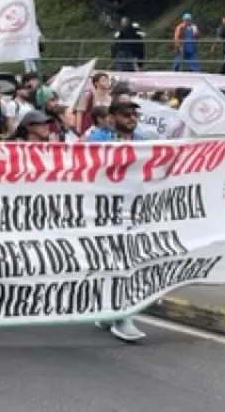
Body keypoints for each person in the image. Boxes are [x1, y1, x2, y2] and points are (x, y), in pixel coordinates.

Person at [85, 99, 149, 343]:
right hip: (104, 211)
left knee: (129, 263)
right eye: (126, 114)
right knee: (115, 263)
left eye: (134, 114)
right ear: (111, 117)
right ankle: (122, 315)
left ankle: (111, 310)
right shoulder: (96, 141)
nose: (131, 118)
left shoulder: (144, 141)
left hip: (135, 210)